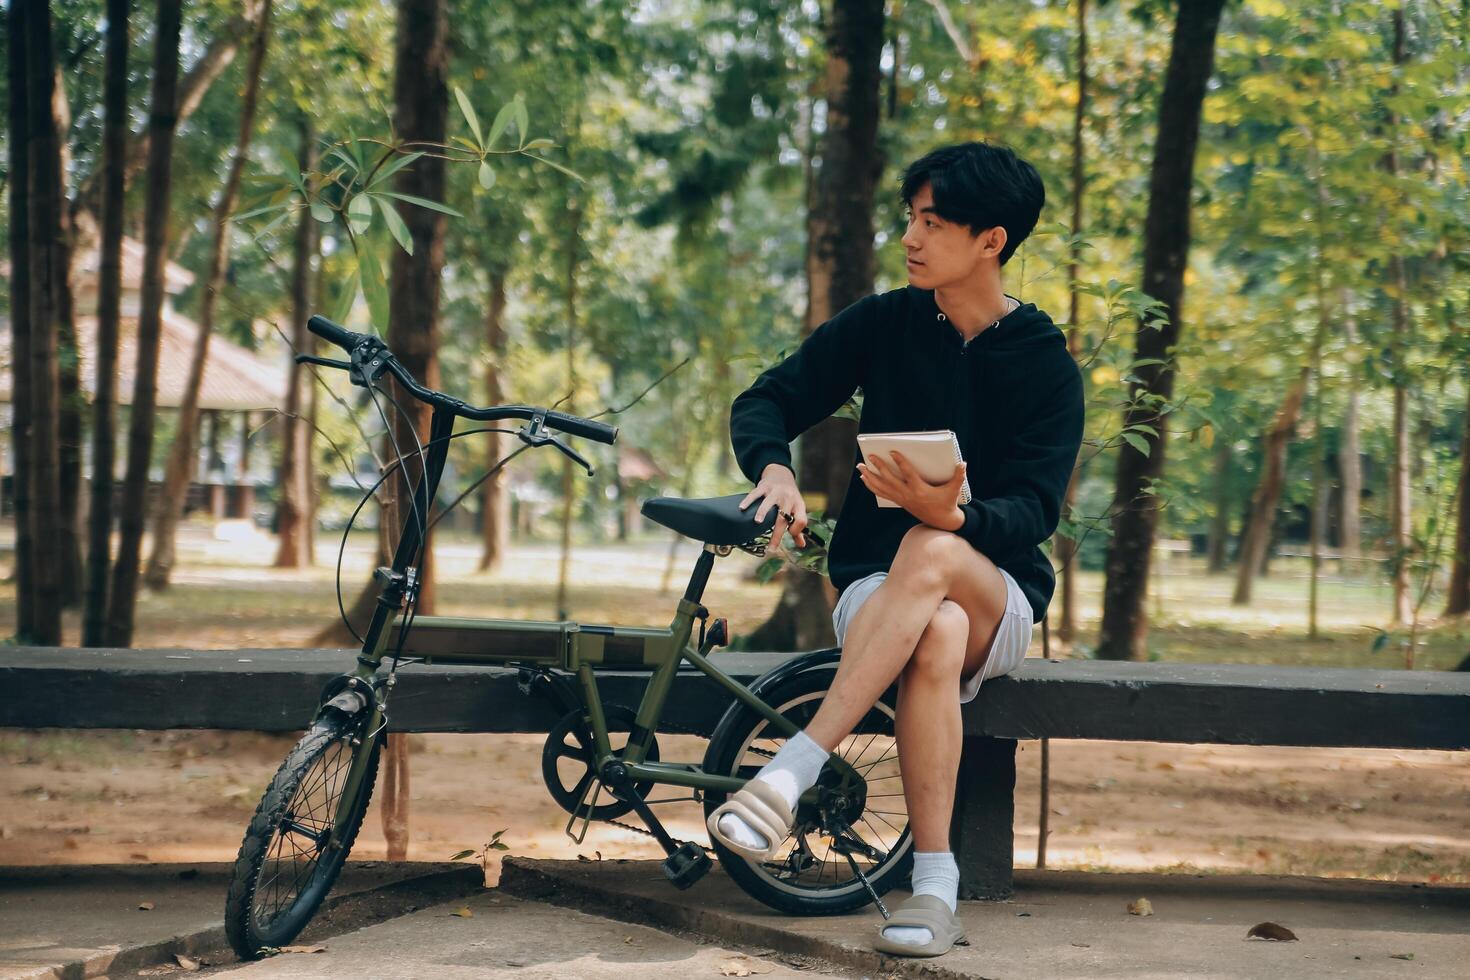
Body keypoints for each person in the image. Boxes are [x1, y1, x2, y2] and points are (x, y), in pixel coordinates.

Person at [707, 141, 1084, 957]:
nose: (910, 238)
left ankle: (797, 763)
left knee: (936, 554)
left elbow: (1035, 512)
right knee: (932, 629)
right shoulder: (884, 323)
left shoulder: (1046, 364)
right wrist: (773, 469)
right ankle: (935, 889)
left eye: (932, 222)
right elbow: (769, 396)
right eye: (910, 219)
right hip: (878, 590)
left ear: (992, 240)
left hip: (998, 594)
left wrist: (951, 516)